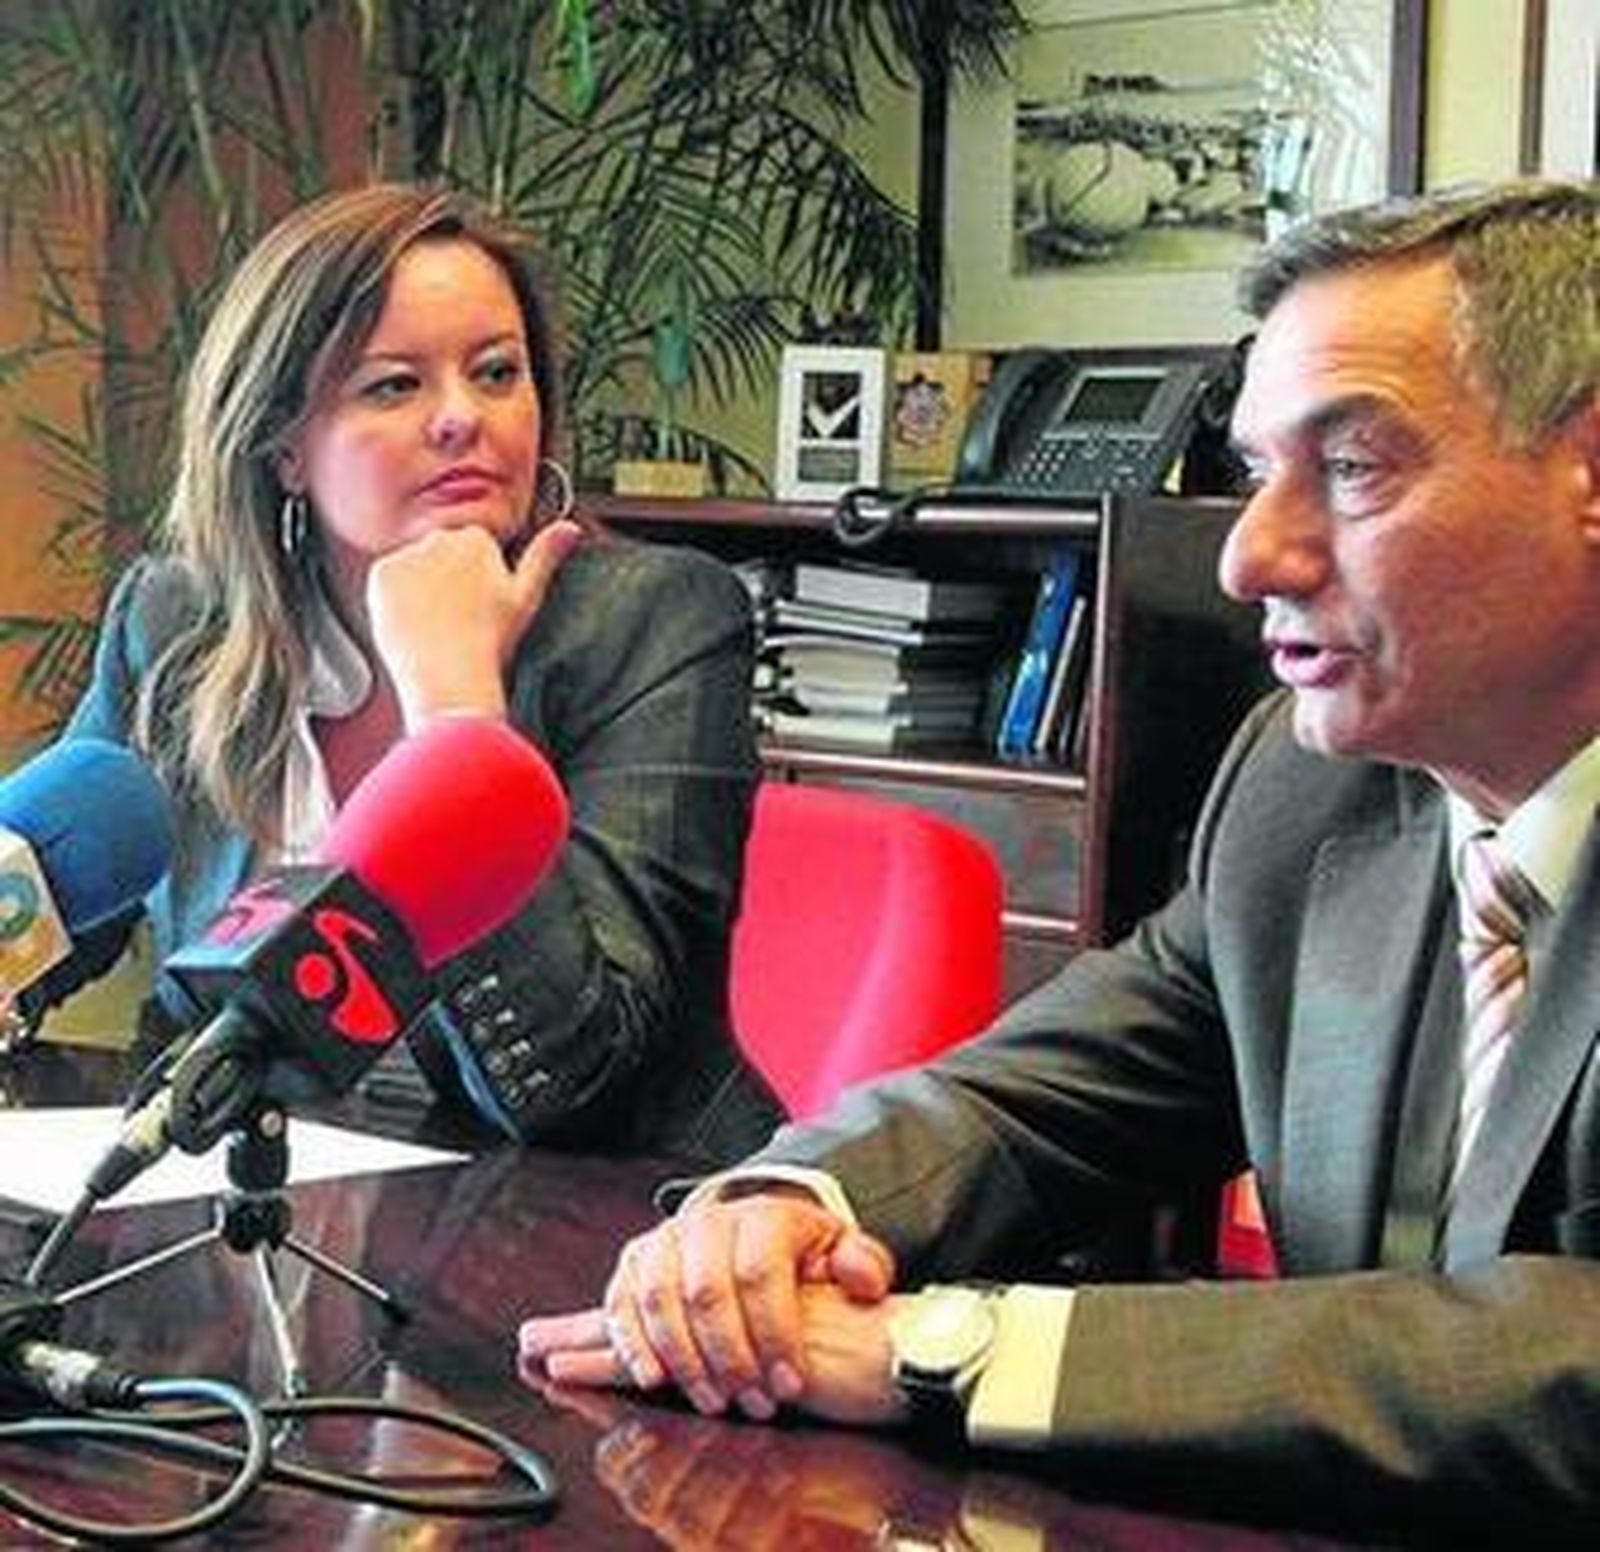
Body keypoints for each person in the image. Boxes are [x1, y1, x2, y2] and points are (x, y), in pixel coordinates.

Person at [519, 177, 1600, 1533]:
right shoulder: (1308, 794)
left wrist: (958, 1351)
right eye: (1258, 473)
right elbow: (1051, 1091)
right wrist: (790, 1204)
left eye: (1355, 466)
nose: (1250, 559)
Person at [35, 182, 782, 1161]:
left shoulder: (654, 622)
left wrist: (456, 718)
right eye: (395, 385)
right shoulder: (178, 626)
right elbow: (47, 915)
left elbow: (575, 1085)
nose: (460, 419)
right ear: (282, 444)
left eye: (497, 373)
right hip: (246, 1200)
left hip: (586, 1240)